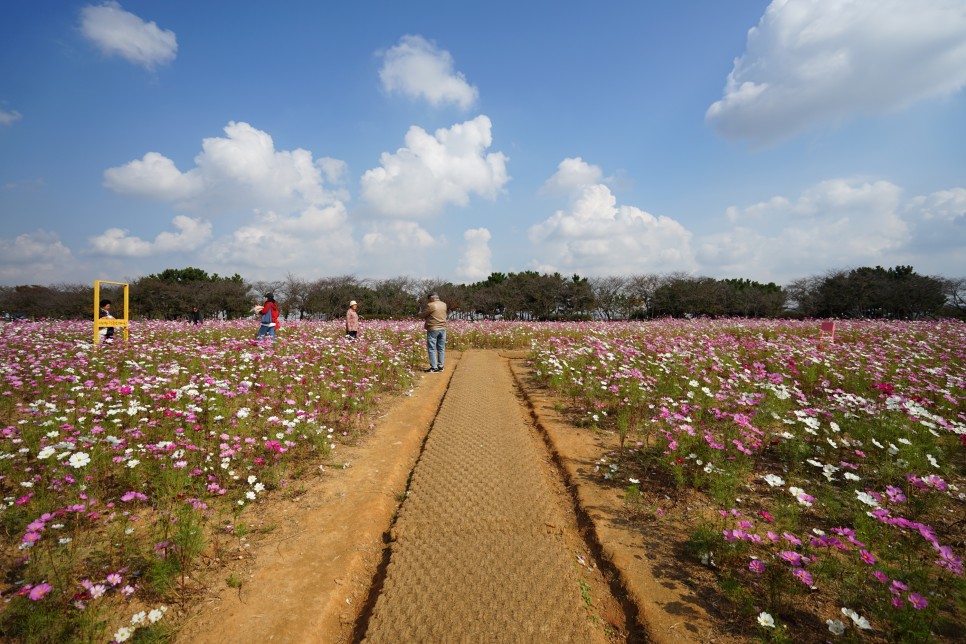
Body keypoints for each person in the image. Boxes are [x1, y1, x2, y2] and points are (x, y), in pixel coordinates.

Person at [417, 293, 447, 372]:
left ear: (431, 298)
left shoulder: (431, 305)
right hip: (443, 328)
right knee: (441, 348)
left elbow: (422, 315)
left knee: (431, 348)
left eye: (428, 299)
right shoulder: (444, 304)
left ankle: (434, 367)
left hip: (433, 328)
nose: (428, 301)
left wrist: (419, 311)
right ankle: (441, 366)